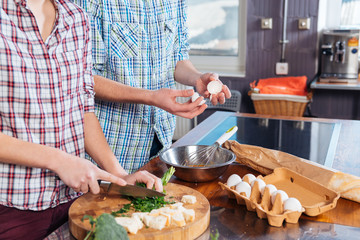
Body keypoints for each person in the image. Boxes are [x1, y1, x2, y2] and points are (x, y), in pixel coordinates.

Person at [0, 1, 162, 239]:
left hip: (75, 203)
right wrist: (58, 160)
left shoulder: (77, 19)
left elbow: (83, 110)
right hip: (12, 209)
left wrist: (119, 177)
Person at [72, 0, 232, 173]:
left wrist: (197, 78)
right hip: (111, 146)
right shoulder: (90, 3)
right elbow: (84, 79)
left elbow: (176, 57)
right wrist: (151, 97)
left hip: (161, 138)